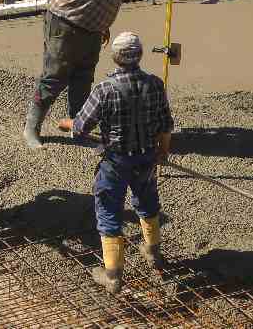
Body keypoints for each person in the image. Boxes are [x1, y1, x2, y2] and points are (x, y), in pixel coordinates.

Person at [23, 0, 173, 150]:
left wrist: (103, 24)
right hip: (66, 21)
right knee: (54, 77)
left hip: (90, 28)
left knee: (83, 78)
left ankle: (78, 127)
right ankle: (32, 127)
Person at [57, 31, 173, 293]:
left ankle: (112, 276)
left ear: (115, 58)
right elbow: (166, 125)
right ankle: (153, 252)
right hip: (146, 159)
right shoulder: (155, 84)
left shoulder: (105, 89)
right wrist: (163, 153)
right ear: (139, 55)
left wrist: (67, 124)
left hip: (116, 162)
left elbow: (81, 127)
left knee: (109, 211)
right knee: (148, 203)